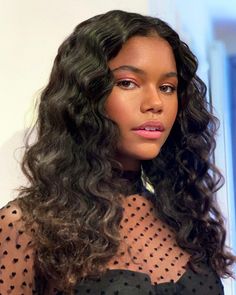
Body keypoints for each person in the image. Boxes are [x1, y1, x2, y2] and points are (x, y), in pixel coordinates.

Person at [0, 10, 235, 295]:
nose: (155, 102)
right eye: (128, 83)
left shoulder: (187, 220)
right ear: (84, 97)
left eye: (167, 87)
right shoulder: (26, 227)